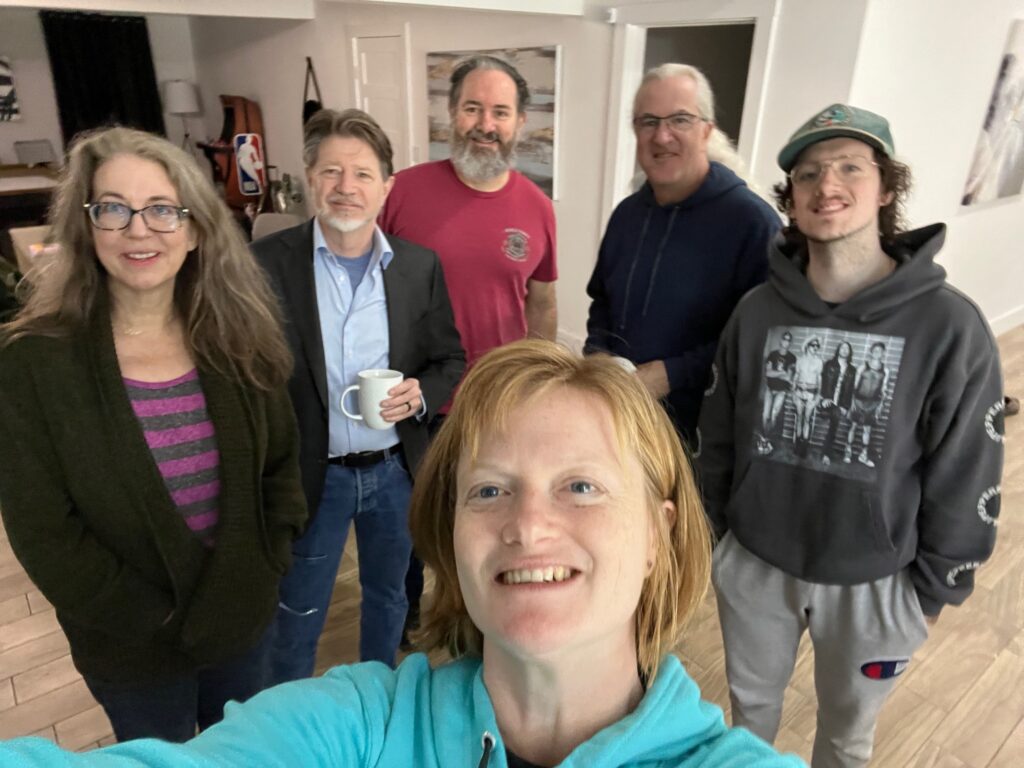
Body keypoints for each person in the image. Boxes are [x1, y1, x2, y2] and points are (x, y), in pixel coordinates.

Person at [0, 340, 804, 768]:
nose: (528, 526)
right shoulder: (354, 725)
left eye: (581, 487)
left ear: (662, 533)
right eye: (488, 491)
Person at [699, 104, 1004, 767]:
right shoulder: (756, 312)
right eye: (808, 173)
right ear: (792, 198)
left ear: (887, 188)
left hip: (876, 583)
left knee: (846, 740)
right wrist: (721, 540)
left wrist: (933, 591)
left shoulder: (950, 327)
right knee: (749, 721)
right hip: (755, 562)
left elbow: (967, 470)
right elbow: (717, 434)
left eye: (848, 168)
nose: (825, 184)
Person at [0, 127, 307, 742]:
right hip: (129, 647)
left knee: (246, 757)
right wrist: (158, 617)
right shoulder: (33, 361)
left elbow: (280, 469)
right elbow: (43, 531)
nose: (140, 229)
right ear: (87, 229)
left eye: (163, 209)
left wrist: (266, 565)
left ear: (194, 230)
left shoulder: (239, 337)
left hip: (242, 622)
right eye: (114, 208)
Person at [251, 108, 464, 679]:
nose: (347, 188)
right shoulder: (265, 265)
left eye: (364, 174)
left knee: (391, 598)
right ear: (310, 176)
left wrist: (421, 394)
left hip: (395, 472)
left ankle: (378, 698)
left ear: (386, 187)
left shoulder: (419, 267)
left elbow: (450, 358)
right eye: (332, 172)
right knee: (298, 611)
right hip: (310, 476)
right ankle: (287, 716)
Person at [379, 53, 557, 642]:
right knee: (413, 518)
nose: (486, 123)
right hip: (415, 394)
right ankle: (403, 613)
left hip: (495, 400)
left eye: (500, 112)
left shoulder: (537, 208)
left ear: (520, 123)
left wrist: (542, 384)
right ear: (451, 114)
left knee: (487, 519)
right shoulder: (401, 192)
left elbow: (542, 300)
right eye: (473, 108)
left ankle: (472, 618)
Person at [585, 63, 780, 443]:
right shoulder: (627, 215)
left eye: (680, 120)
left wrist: (673, 374)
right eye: (648, 122)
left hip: (703, 438)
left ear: (707, 130)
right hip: (622, 420)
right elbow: (602, 302)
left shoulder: (753, 223)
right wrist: (599, 358)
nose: (662, 136)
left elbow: (762, 341)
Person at [844, 341, 889, 468]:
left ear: (883, 353)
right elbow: (854, 386)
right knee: (853, 426)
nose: (877, 353)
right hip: (858, 401)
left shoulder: (885, 370)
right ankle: (848, 452)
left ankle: (863, 455)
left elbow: (883, 390)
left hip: (873, 403)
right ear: (870, 352)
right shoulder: (862, 367)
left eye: (880, 351)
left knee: (867, 430)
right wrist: (852, 402)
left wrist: (880, 405)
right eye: (875, 350)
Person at [818, 340, 856, 466]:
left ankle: (826, 454)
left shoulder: (852, 369)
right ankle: (827, 452)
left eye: (847, 348)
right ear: (838, 350)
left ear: (849, 352)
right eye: (842, 347)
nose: (845, 350)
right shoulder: (829, 364)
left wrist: (845, 407)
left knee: (835, 418)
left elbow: (850, 391)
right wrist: (823, 399)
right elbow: (822, 383)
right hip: (826, 401)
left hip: (839, 404)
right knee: (832, 417)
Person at [759, 330, 796, 455]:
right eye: (784, 339)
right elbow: (768, 373)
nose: (786, 342)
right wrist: (782, 373)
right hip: (769, 389)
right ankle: (764, 439)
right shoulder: (772, 355)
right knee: (765, 415)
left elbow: (789, 377)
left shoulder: (792, 358)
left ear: (790, 343)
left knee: (774, 415)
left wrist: (777, 374)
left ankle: (766, 439)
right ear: (781, 341)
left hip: (782, 391)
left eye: (788, 340)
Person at [791, 336, 823, 456]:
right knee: (799, 417)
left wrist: (818, 396)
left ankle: (804, 446)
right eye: (812, 345)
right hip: (799, 392)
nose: (815, 348)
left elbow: (819, 379)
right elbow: (796, 376)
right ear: (807, 346)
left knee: (807, 419)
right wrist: (793, 393)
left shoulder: (819, 362)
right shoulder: (800, 360)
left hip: (811, 394)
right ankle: (798, 444)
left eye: (817, 346)